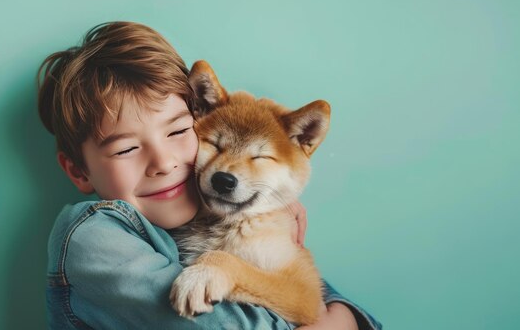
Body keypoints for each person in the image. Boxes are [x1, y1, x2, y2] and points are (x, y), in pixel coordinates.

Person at [37, 21, 382, 330]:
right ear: (79, 171)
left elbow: (309, 301)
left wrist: (342, 313)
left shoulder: (216, 211)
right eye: (126, 149)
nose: (164, 162)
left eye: (178, 132)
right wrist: (341, 319)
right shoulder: (91, 237)